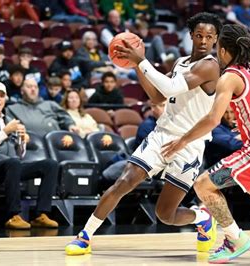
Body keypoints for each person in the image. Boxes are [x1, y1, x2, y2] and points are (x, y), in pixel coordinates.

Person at [65, 12, 223, 256]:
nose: (203, 41)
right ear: (191, 35)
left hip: (189, 144)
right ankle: (84, 236)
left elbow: (170, 86)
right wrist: (137, 65)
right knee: (123, 182)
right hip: (162, 135)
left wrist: (142, 60)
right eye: (199, 35)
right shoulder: (181, 62)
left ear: (215, 41)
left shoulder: (211, 66)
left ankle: (201, 217)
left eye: (209, 37)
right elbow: (159, 96)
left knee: (165, 215)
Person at [161, 24, 250, 263]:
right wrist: (249, 122)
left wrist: (182, 141)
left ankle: (234, 237)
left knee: (203, 185)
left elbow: (213, 119)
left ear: (225, 50)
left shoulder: (229, 77)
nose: (216, 54)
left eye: (217, 50)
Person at [0, 81, 60, 229]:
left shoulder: (8, 120)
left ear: (5, 99)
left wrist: (22, 141)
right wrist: (5, 132)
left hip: (11, 166)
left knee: (50, 164)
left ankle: (41, 214)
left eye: (1, 96)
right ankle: (13, 216)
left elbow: (20, 154)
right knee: (13, 163)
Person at [6, 78, 79, 137]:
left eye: (35, 87)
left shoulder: (50, 104)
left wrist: (70, 125)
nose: (33, 89)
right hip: (29, 147)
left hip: (55, 144)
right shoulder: (12, 109)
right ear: (22, 91)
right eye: (29, 87)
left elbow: (65, 117)